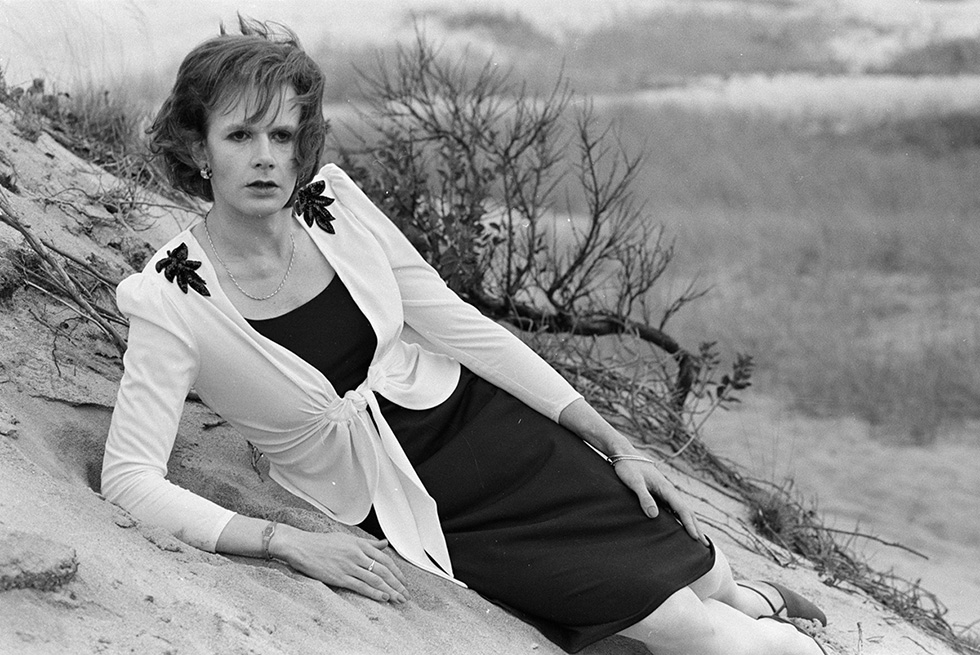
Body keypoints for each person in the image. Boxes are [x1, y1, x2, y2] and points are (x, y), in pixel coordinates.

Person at [101, 17, 829, 655]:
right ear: (200, 150)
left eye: (282, 134)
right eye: (239, 135)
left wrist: (615, 441)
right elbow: (129, 480)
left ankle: (745, 594)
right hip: (410, 502)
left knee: (697, 560)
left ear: (302, 144)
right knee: (687, 629)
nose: (264, 156)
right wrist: (285, 540)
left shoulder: (339, 208)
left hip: (485, 426)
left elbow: (464, 328)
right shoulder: (170, 297)